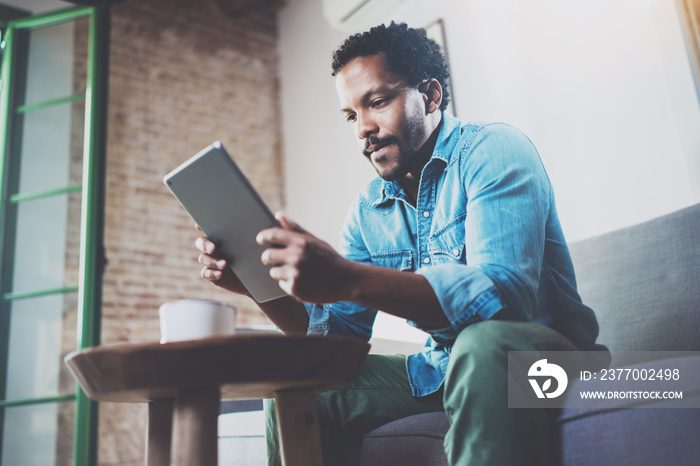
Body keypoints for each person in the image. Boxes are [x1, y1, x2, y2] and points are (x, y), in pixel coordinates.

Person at [196, 21, 606, 466]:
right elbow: (335, 343)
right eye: (351, 115)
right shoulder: (369, 209)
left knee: (483, 344)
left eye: (377, 102)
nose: (362, 129)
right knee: (300, 381)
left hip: (552, 365)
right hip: (442, 373)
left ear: (430, 96)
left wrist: (348, 278)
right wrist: (259, 283)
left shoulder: (493, 149)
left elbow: (502, 300)